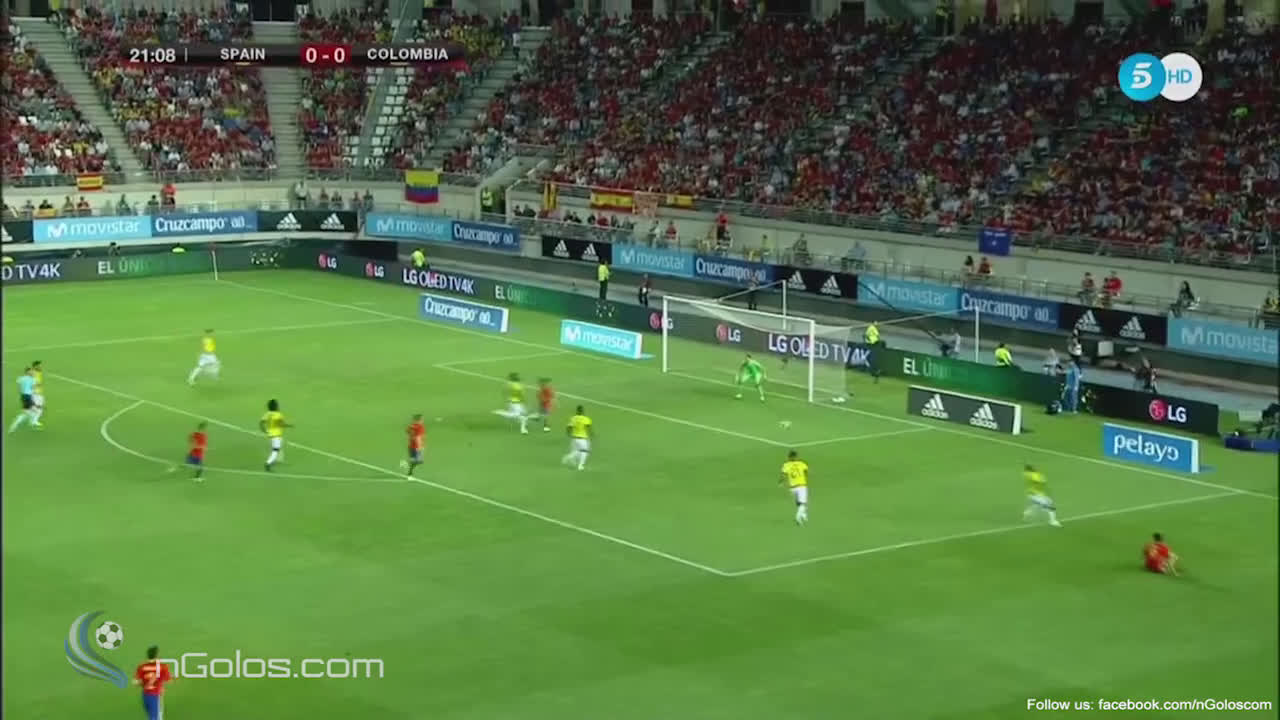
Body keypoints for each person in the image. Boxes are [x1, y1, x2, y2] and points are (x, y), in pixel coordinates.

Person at [134, 645, 172, 720]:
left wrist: (146, 683)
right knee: (156, 718)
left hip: (145, 696)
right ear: (157, 655)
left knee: (152, 717)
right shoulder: (162, 667)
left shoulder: (142, 666)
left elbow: (135, 682)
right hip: (156, 695)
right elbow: (168, 679)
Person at [259, 399, 292, 470]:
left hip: (270, 435)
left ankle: (273, 460)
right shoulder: (278, 415)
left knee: (274, 448)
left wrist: (263, 430)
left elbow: (261, 422)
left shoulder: (267, 414)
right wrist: (289, 425)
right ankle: (268, 463)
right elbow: (282, 424)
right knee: (276, 450)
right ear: (276, 406)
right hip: (277, 435)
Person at [779, 449, 809, 525]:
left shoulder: (786, 465)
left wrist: (781, 482)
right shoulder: (802, 463)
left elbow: (783, 475)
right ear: (796, 456)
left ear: (789, 457)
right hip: (801, 486)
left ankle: (803, 515)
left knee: (798, 502)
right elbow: (806, 471)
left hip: (792, 488)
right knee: (803, 503)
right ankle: (798, 517)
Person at [561, 404, 593, 470]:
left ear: (577, 411)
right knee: (584, 451)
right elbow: (588, 427)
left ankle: (568, 457)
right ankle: (580, 465)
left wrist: (568, 434)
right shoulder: (585, 419)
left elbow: (569, 427)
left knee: (577, 451)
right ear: (582, 411)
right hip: (582, 439)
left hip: (574, 438)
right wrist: (591, 434)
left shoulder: (573, 418)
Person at [9, 367, 39, 432]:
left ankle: (15, 425)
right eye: (31, 371)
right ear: (27, 372)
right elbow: (33, 388)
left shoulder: (21, 378)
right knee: (34, 411)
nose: (32, 372)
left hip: (23, 396)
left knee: (30, 411)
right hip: (28, 396)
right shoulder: (32, 379)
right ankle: (31, 423)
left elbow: (19, 385)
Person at [29, 360, 45, 426]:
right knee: (39, 408)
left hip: (39, 393)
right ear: (35, 366)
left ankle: (33, 419)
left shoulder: (39, 372)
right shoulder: (33, 373)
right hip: (35, 393)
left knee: (38, 407)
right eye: (39, 365)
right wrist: (36, 384)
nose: (40, 366)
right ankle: (34, 421)